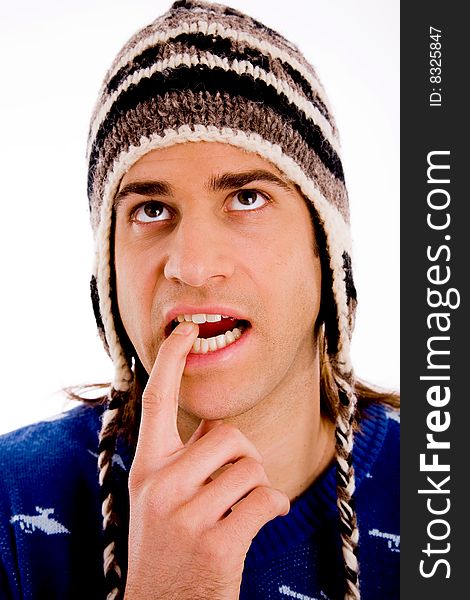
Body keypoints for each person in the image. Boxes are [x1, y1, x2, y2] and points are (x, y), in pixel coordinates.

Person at [0, 1, 399, 599]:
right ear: (108, 272)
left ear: (325, 246)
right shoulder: (11, 504)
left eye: (246, 199)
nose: (191, 265)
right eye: (151, 210)